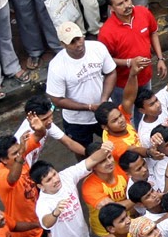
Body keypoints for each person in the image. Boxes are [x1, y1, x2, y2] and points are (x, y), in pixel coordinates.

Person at [47, 21, 118, 150]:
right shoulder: (56, 66)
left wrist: (103, 100)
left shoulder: (98, 48)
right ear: (63, 44)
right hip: (77, 121)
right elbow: (56, 99)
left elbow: (111, 72)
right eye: (72, 42)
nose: (78, 44)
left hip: (105, 113)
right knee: (83, 152)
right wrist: (89, 107)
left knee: (118, 144)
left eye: (79, 38)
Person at [98, 0, 166, 98]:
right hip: (122, 85)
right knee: (126, 115)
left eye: (127, 0)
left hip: (145, 77)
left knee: (146, 111)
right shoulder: (106, 32)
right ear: (112, 8)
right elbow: (104, 60)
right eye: (120, 4)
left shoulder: (143, 12)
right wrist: (129, 62)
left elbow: (153, 33)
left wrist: (160, 58)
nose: (126, 5)